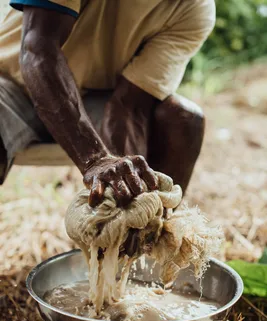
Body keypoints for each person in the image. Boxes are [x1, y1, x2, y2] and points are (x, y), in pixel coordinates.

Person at [0, 0, 215, 207]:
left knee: (183, 119)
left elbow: (130, 106)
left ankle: (137, 239)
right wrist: (95, 159)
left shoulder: (194, 9)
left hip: (89, 99)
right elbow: (38, 51)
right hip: (8, 84)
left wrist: (125, 193)